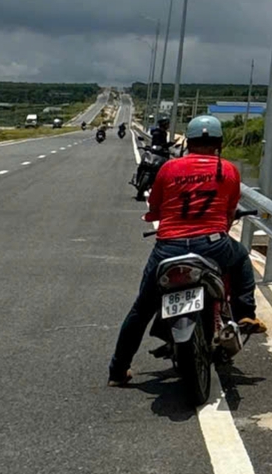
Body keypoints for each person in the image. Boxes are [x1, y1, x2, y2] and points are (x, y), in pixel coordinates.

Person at [107, 115, 263, 386]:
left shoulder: (169, 169)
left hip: (169, 247)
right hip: (213, 244)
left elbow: (154, 206)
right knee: (240, 258)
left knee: (141, 309)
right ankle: (244, 313)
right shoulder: (228, 170)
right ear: (219, 143)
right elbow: (228, 212)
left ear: (188, 142)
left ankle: (118, 370)